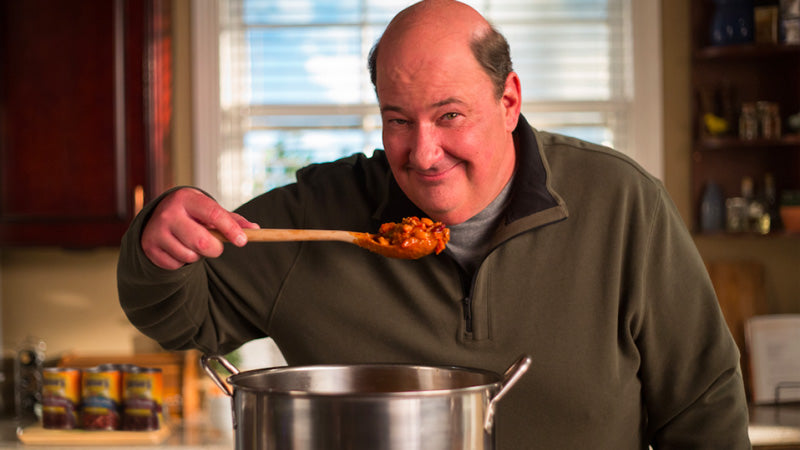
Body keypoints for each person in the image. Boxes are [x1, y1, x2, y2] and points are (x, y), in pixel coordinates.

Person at [117, 1, 751, 448]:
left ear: (509, 102)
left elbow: (703, 408)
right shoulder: (316, 214)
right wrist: (159, 243)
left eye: (449, 116)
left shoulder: (623, 204)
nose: (422, 154)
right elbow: (177, 317)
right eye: (398, 119)